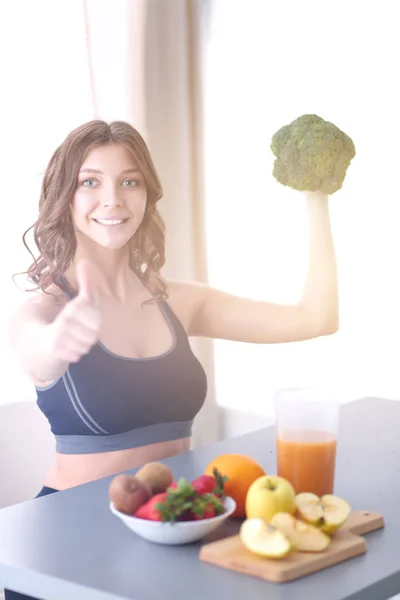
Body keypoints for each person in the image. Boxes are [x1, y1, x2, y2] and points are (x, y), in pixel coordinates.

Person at [5, 119, 338, 599]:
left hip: (172, 529)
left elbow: (315, 317)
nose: (113, 199)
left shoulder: (178, 302)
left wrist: (317, 195)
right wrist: (59, 346)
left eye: (130, 181)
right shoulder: (43, 311)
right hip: (68, 540)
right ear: (65, 197)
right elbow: (36, 356)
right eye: (90, 182)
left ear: (147, 194)